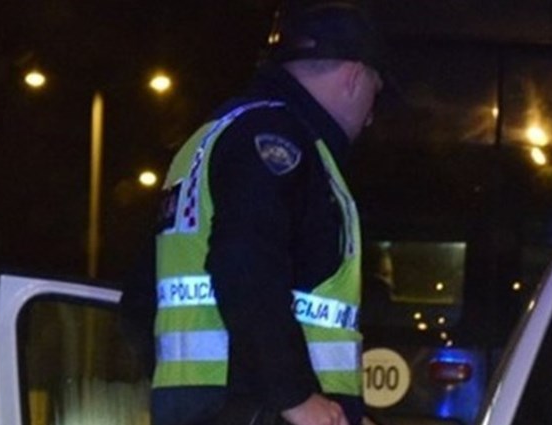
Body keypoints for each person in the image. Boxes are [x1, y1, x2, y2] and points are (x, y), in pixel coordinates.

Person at [124, 2, 385, 425]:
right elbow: (244, 263)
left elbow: (140, 297)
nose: (371, 117)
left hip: (216, 409)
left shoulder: (212, 138)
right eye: (376, 90)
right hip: (258, 411)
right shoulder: (278, 142)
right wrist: (295, 397)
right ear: (354, 78)